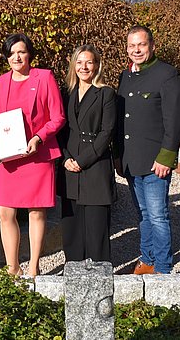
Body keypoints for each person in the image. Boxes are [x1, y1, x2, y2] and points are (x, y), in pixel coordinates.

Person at [0, 33, 65, 277]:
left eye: (21, 51)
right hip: (10, 157)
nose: (16, 57)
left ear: (29, 53)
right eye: (11, 53)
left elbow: (58, 117)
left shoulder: (45, 77)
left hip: (37, 154)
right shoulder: (0, 83)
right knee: (4, 212)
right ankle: (12, 267)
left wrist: (39, 137)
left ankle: (33, 266)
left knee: (36, 211)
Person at [115, 26, 180, 275]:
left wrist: (167, 156)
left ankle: (164, 267)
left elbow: (175, 121)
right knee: (143, 215)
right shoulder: (125, 76)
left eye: (141, 45)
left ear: (152, 46)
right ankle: (147, 259)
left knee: (158, 216)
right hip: (132, 161)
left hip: (156, 162)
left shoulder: (166, 75)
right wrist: (118, 157)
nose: (136, 50)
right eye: (132, 46)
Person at [59, 45, 116, 263]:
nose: (84, 67)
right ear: (74, 65)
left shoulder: (106, 93)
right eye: (80, 62)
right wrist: (65, 159)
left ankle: (99, 272)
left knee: (96, 226)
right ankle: (73, 269)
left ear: (97, 65)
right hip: (69, 165)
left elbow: (107, 132)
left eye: (89, 62)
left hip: (94, 165)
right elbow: (61, 129)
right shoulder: (66, 93)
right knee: (72, 225)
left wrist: (82, 161)